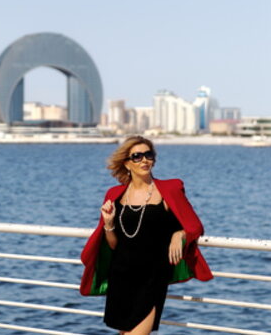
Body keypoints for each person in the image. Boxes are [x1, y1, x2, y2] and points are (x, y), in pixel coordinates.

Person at [80, 136, 213, 334]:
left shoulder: (169, 189)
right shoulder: (114, 195)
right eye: (137, 156)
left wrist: (179, 234)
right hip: (121, 276)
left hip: (152, 277)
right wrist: (108, 224)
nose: (144, 160)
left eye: (148, 155)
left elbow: (195, 226)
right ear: (126, 163)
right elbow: (114, 245)